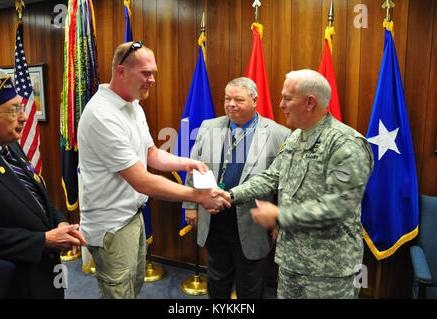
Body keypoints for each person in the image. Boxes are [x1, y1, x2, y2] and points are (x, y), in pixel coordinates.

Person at [77, 41, 230, 299]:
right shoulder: (102, 115)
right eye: (146, 73)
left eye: (154, 73)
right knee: (118, 293)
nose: (152, 80)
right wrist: (197, 196)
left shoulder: (133, 104)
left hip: (131, 216)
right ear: (121, 71)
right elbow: (142, 181)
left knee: (132, 288)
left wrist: (186, 163)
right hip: (111, 224)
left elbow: (151, 154)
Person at [219, 69, 374, 299]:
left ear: (310, 102)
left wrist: (280, 215)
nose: (280, 104)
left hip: (328, 272)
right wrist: (230, 195)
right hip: (291, 262)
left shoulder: (345, 144)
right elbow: (271, 177)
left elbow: (339, 206)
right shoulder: (296, 137)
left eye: (287, 98)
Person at [182, 77, 290, 299]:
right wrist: (190, 205)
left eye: (238, 99)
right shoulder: (208, 127)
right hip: (214, 218)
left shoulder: (279, 134)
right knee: (217, 280)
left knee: (250, 286)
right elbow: (195, 168)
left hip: (254, 222)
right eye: (227, 99)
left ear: (254, 101)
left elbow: (283, 183)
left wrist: (280, 220)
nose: (231, 104)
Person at [0, 69, 87, 299]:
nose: (23, 117)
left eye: (21, 107)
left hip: (48, 268)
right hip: (18, 281)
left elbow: (39, 201)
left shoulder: (10, 146)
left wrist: (62, 225)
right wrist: (44, 240)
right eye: (13, 111)